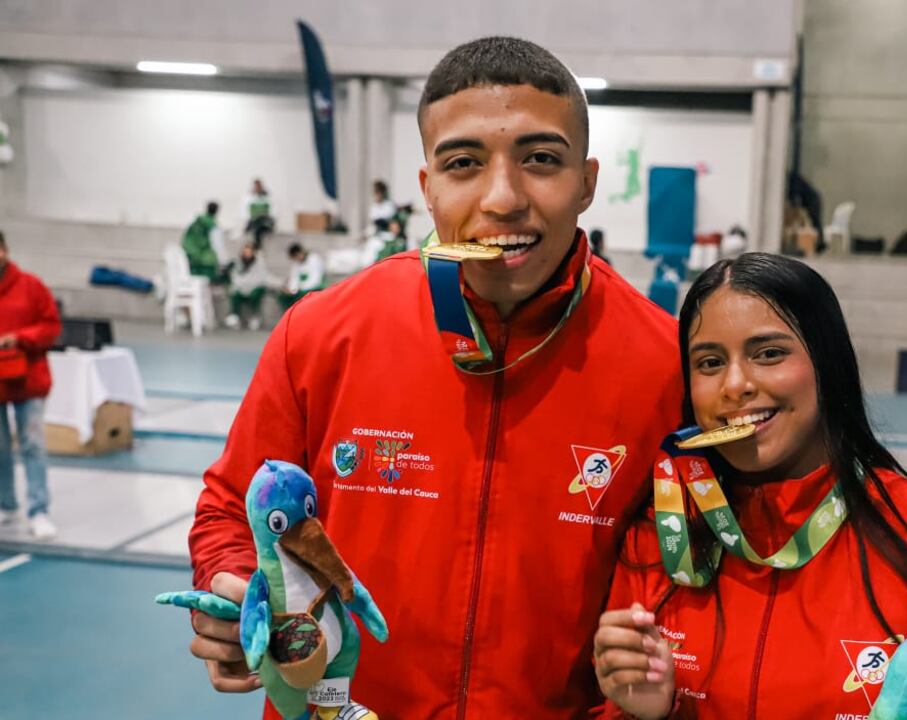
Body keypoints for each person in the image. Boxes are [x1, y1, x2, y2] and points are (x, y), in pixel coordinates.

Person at [184, 36, 683, 717]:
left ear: (588, 182)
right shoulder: (325, 333)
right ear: (428, 188)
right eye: (464, 163)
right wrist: (234, 584)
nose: (503, 197)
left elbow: (674, 587)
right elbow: (230, 505)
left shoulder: (663, 363)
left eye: (541, 160)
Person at [593, 253, 907, 719]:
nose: (734, 385)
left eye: (769, 354)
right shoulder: (661, 538)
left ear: (826, 362)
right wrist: (645, 714)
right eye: (710, 362)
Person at [0, 230, 62, 541]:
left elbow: (51, 326)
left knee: (32, 445)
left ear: (5, 251)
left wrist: (20, 338)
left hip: (29, 380)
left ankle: (39, 510)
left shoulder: (31, 286)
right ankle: (6, 505)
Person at [225, 243, 279, 331]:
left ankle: (255, 316)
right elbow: (236, 279)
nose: (247, 254)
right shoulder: (236, 263)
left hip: (255, 287)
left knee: (256, 293)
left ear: (253, 253)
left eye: (249, 252)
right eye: (245, 252)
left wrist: (279, 283)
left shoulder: (259, 263)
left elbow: (263, 277)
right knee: (234, 293)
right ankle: (234, 316)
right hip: (241, 288)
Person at [182, 201, 224, 282]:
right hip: (206, 262)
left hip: (193, 259)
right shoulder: (213, 226)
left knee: (195, 285)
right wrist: (223, 262)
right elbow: (218, 245)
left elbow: (186, 239)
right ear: (217, 211)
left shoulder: (195, 223)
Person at [277, 242, 325, 309]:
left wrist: (298, 289)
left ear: (300, 252)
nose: (296, 260)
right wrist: (291, 289)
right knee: (282, 296)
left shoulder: (314, 259)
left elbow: (315, 281)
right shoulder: (296, 263)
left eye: (296, 257)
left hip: (314, 288)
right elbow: (294, 278)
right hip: (300, 290)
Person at [244, 178, 275, 249]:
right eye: (256, 187)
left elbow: (272, 212)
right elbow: (248, 213)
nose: (257, 188)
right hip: (254, 221)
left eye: (258, 186)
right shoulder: (250, 198)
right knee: (252, 226)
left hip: (265, 222)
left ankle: (258, 246)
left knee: (258, 228)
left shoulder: (267, 198)